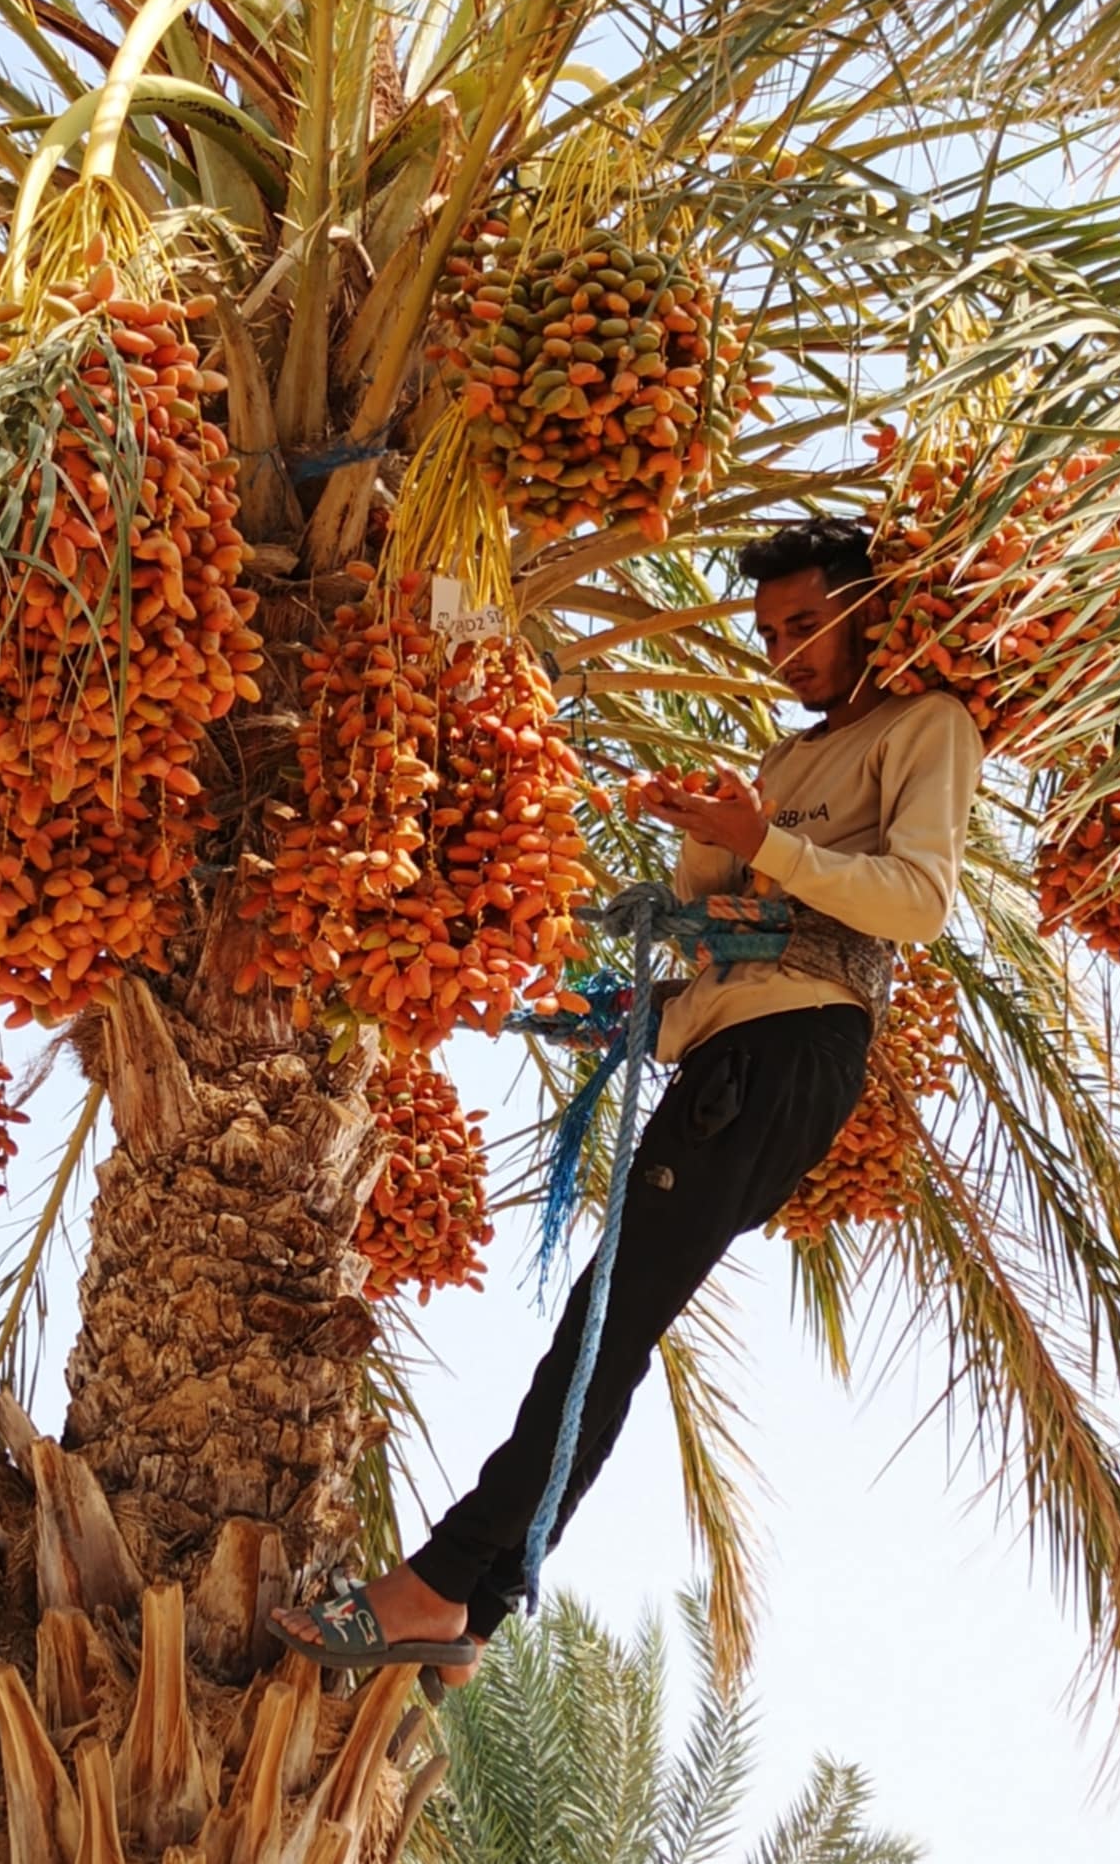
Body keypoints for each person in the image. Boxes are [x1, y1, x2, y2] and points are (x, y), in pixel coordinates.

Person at [268, 516, 985, 1676]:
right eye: (769, 632)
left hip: (793, 1047)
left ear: (874, 611)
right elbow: (732, 922)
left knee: (605, 1324)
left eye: (806, 624)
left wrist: (763, 841)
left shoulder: (926, 726)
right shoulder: (791, 761)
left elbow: (915, 902)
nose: (785, 650)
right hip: (731, 1049)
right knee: (613, 1323)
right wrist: (707, 841)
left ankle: (441, 1587)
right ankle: (472, 1610)